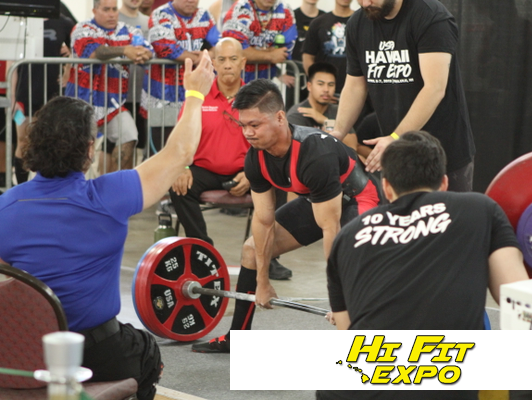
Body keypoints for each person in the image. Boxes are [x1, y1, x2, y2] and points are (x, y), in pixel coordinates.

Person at [0, 52, 215, 400]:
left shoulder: (6, 206)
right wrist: (195, 94)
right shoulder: (109, 196)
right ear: (89, 149)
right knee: (146, 351)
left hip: (24, 352)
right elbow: (180, 153)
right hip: (97, 351)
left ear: (33, 143)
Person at [318, 131, 529, 400]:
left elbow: (347, 334)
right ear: (444, 182)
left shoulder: (348, 235)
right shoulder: (481, 209)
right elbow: (522, 306)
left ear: (387, 188)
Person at [192, 79, 381, 353]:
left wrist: (337, 301)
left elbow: (331, 229)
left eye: (255, 125)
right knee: (251, 250)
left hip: (360, 198)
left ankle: (362, 344)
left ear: (280, 117)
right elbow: (263, 220)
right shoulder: (256, 158)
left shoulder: (314, 153)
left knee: (350, 260)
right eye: (243, 125)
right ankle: (237, 337)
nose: (248, 133)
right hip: (319, 199)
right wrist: (262, 282)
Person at [169, 37, 291, 280]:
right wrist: (182, 167)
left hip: (247, 169)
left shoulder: (257, 99)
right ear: (213, 63)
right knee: (178, 188)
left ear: (243, 63)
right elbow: (182, 135)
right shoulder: (198, 96)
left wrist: (251, 173)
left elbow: (271, 140)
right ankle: (204, 254)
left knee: (277, 184)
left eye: (233, 59)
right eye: (222, 59)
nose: (227, 65)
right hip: (205, 169)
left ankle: (268, 256)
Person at [331, 0, 476, 193]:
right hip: (398, 155)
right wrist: (338, 133)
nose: (365, 3)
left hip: (443, 152)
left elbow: (434, 88)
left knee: (445, 212)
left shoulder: (430, 16)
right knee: (399, 212)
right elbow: (355, 85)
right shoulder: (358, 23)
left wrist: (395, 137)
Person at [66, 0, 153, 173]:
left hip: (113, 103)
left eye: (114, 9)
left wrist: (143, 53)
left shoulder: (128, 30)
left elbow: (147, 49)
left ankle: (115, 184)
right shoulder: (82, 28)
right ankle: (75, 186)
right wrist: (125, 50)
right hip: (81, 103)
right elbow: (94, 52)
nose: (112, 14)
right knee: (79, 154)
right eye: (106, 9)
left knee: (129, 136)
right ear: (94, 10)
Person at [142, 0, 220, 151]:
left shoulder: (204, 15)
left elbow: (219, 44)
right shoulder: (160, 14)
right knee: (160, 151)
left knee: (193, 150)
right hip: (162, 97)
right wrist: (201, 57)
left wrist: (210, 53)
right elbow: (166, 48)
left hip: (196, 97)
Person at [12, 13, 74, 184]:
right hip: (24, 95)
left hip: (52, 94)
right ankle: (22, 188)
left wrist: (68, 71)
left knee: (52, 142)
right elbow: (12, 64)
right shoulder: (20, 20)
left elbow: (77, 50)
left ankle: (49, 186)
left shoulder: (63, 22)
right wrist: (12, 99)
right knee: (23, 141)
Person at [221, 0, 297, 83]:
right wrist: (270, 55)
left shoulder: (285, 10)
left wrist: (253, 52)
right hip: (235, 80)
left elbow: (284, 51)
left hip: (264, 80)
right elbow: (234, 51)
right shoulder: (240, 8)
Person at [119, 0, 151, 158]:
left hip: (143, 95)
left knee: (138, 145)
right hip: (116, 97)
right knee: (116, 147)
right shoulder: (112, 18)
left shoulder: (149, 22)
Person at [302, 0, 353, 96]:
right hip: (324, 92)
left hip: (354, 88)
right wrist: (319, 86)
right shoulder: (318, 23)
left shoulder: (362, 22)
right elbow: (308, 57)